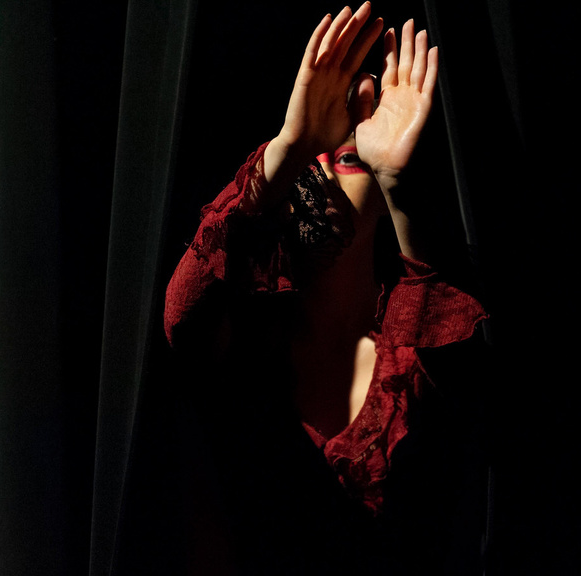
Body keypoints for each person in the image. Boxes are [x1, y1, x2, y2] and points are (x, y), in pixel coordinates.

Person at [164, 3, 487, 573]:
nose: (322, 163)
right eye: (305, 158)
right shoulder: (248, 342)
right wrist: (289, 144)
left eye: (346, 153)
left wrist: (398, 183)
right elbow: (183, 320)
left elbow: (468, 381)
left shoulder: (419, 346)